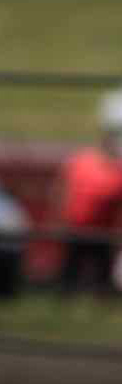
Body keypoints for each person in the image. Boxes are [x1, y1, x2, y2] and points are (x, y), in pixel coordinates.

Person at [56, 94, 122, 298]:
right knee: (72, 268)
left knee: (101, 272)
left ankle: (98, 294)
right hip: (78, 226)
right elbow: (63, 190)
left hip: (101, 230)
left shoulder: (108, 166)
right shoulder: (82, 161)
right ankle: (68, 294)